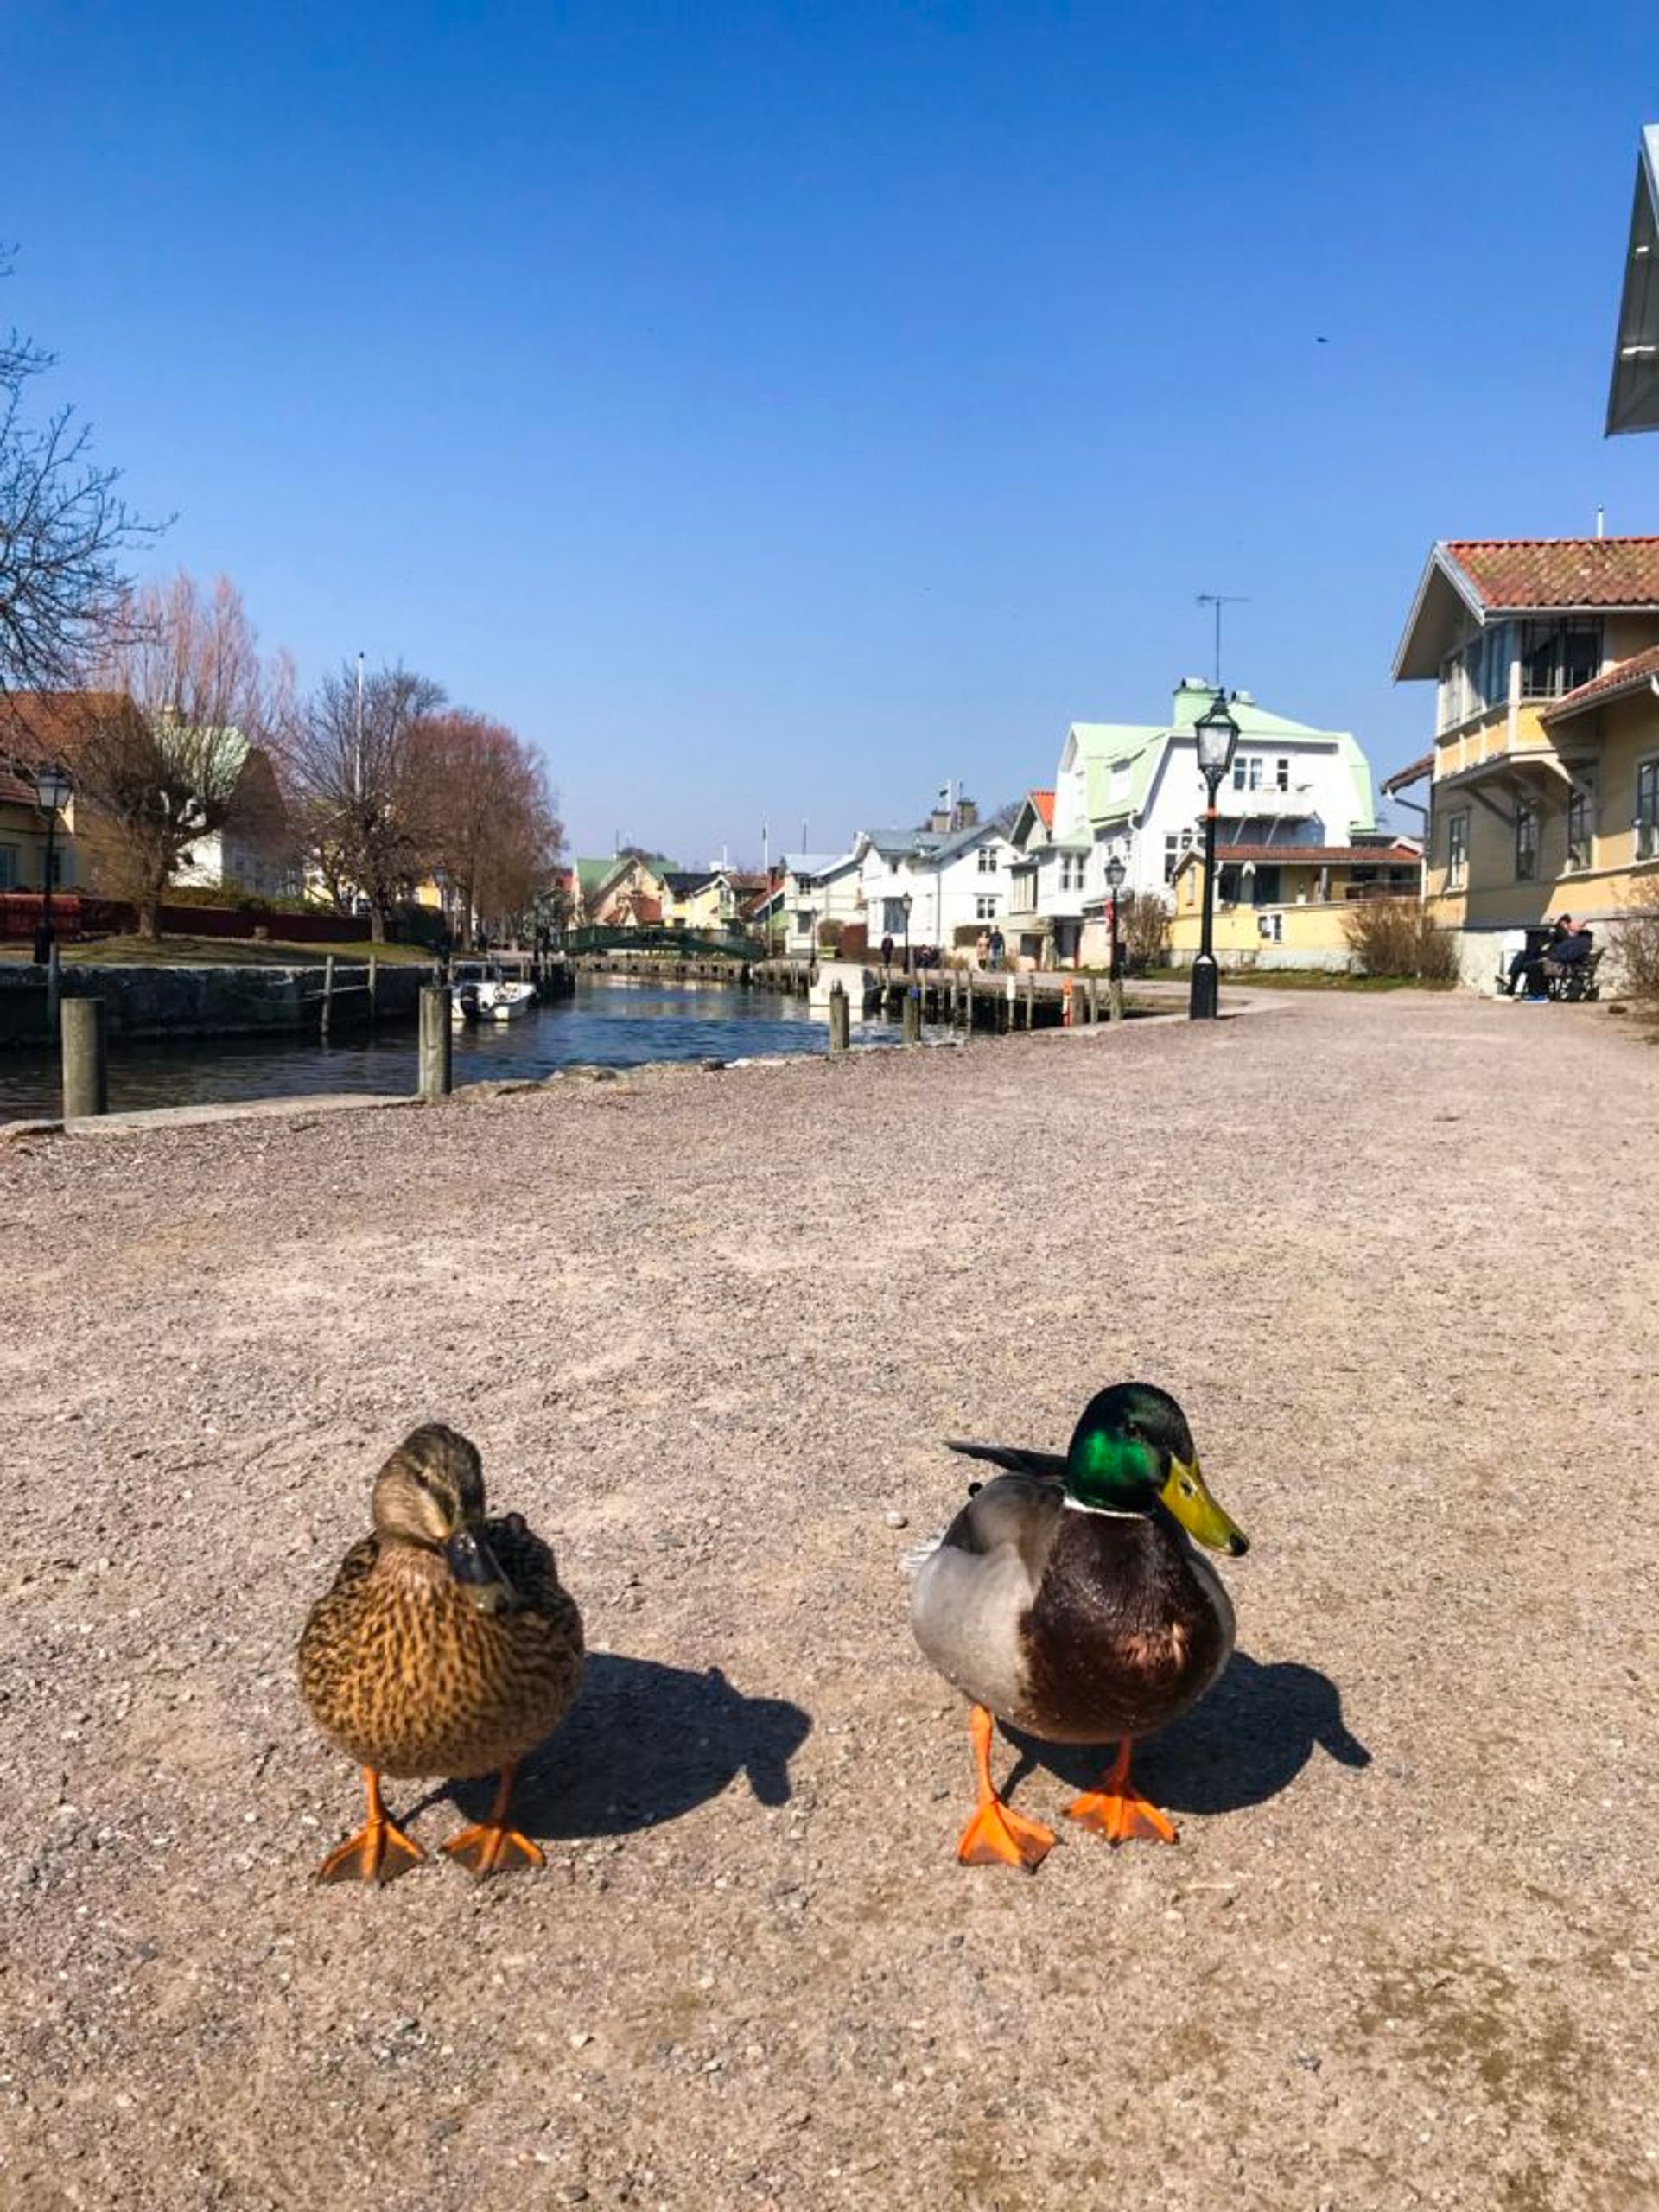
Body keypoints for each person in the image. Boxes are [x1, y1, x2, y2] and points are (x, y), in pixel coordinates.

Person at [1503, 917, 1569, 997]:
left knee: (1527, 962)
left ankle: (1511, 985)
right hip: (1537, 955)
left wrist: (1558, 926)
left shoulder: (1562, 933)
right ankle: (1511, 983)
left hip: (1550, 960)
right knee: (1520, 956)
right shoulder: (1548, 933)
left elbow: (1561, 937)